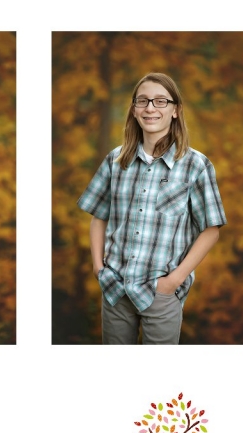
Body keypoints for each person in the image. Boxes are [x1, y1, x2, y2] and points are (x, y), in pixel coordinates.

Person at [77, 72, 227, 345]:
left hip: (161, 292)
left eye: (160, 101)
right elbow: (99, 217)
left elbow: (211, 230)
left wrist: (173, 281)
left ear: (175, 110)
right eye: (143, 101)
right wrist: (100, 268)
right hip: (115, 289)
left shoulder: (195, 165)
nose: (150, 108)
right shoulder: (115, 161)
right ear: (134, 110)